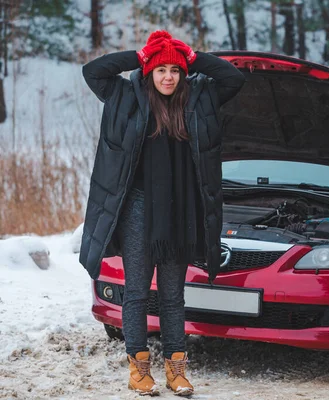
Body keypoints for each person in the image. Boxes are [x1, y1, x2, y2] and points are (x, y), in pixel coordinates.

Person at [79, 30, 245, 396]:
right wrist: (138, 56)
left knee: (173, 295)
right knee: (137, 292)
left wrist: (192, 56)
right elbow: (94, 72)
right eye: (160, 69)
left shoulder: (200, 98)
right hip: (138, 207)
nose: (168, 76)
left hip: (182, 209)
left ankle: (177, 370)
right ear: (149, 72)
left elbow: (233, 78)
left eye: (175, 69)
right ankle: (139, 369)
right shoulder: (125, 96)